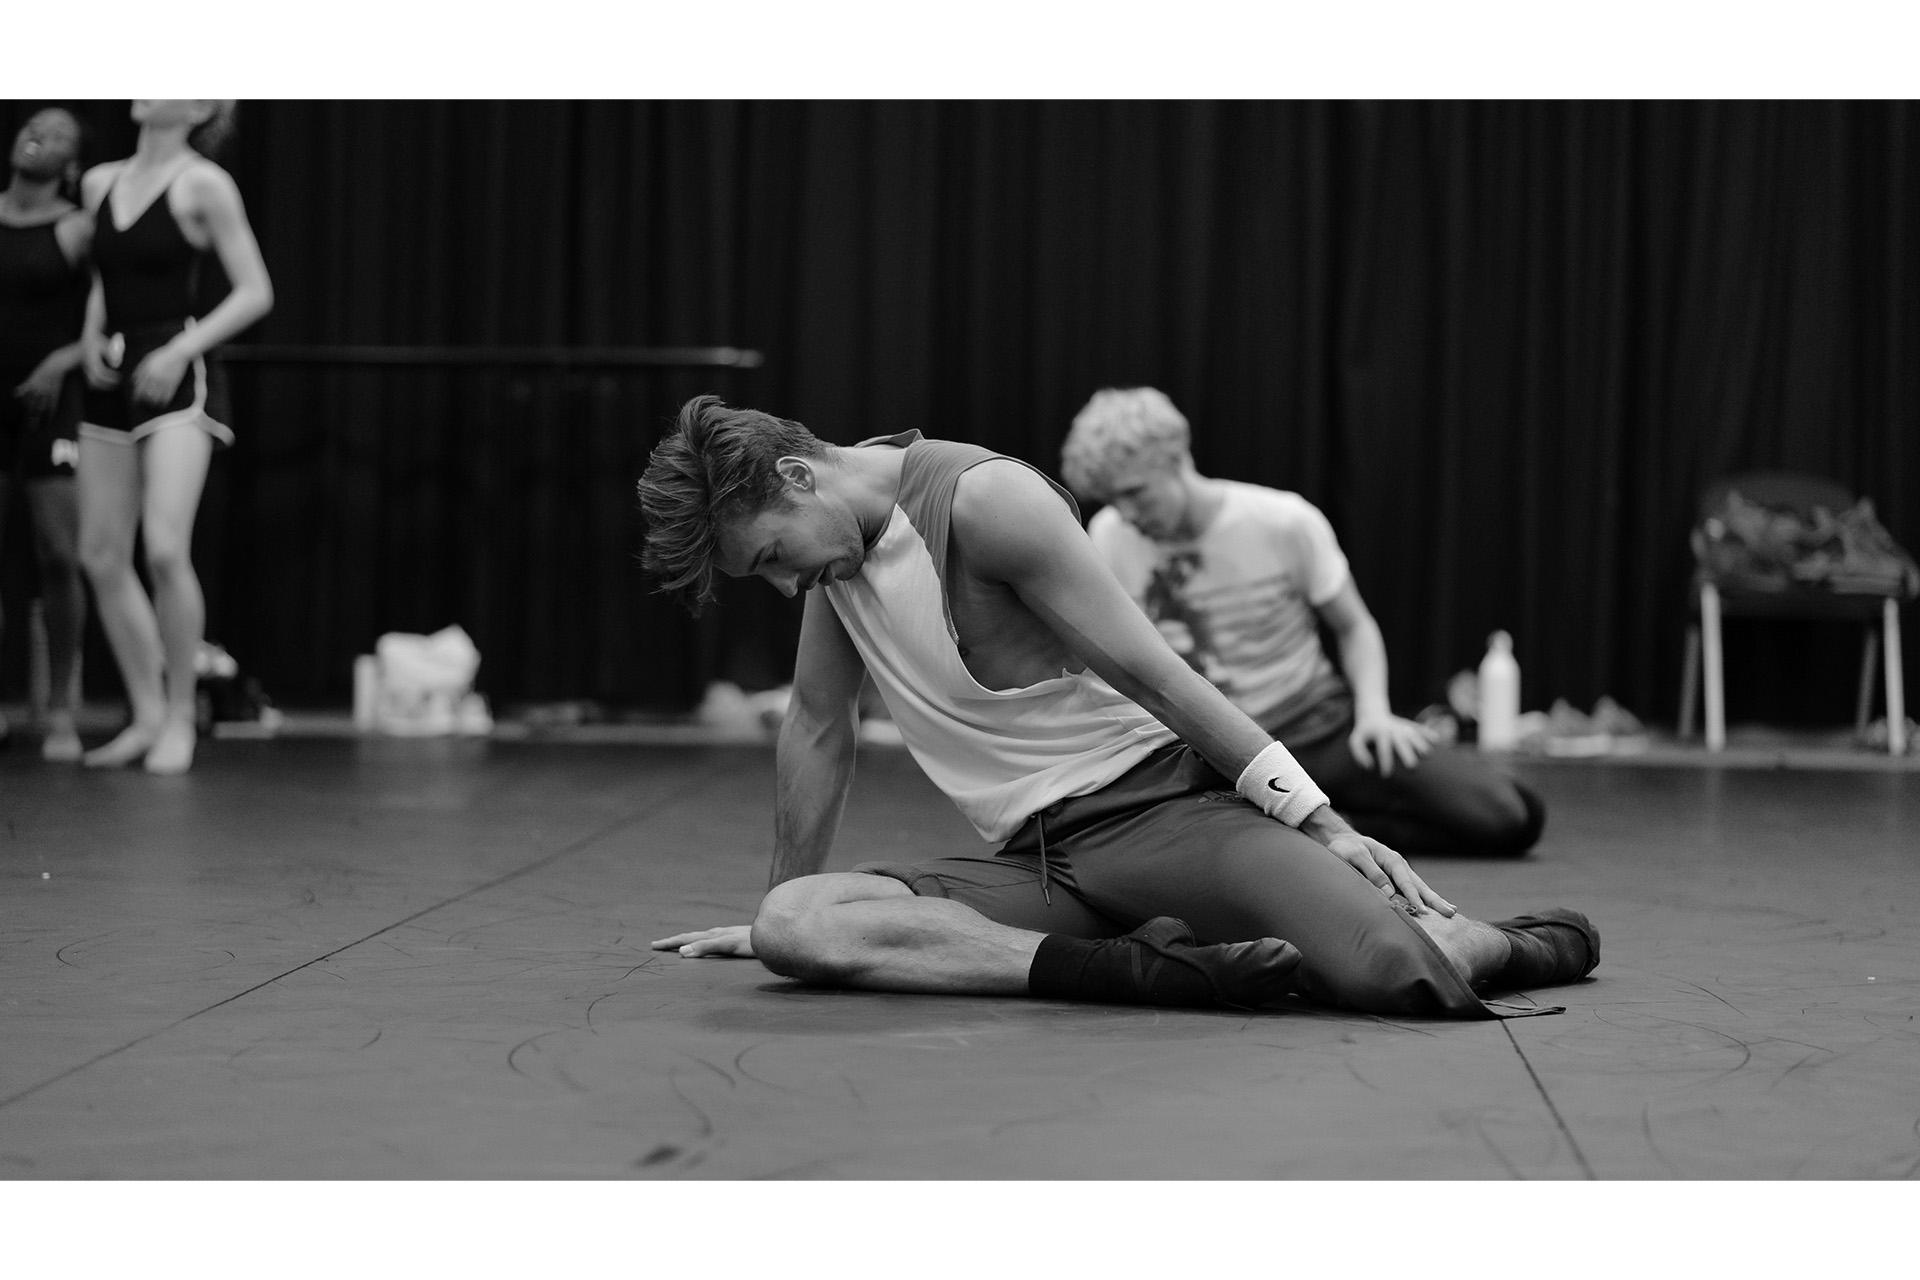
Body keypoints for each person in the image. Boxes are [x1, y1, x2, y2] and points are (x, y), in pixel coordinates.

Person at [641, 396, 1596, 1017]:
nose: (785, 584)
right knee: (797, 923)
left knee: (1402, 976)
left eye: (773, 556)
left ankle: (1526, 942)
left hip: (1163, 812)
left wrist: (1323, 824)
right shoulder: (834, 562)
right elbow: (816, 726)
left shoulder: (984, 501)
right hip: (1041, 864)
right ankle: (1135, 969)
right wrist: (768, 913)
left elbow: (1159, 678)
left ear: (799, 477)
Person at [1061, 386, 1545, 858]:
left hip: (1318, 727)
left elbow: (1354, 626)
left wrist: (1375, 713)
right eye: (1112, 500)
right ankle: (1312, 827)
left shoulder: (1282, 520)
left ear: (1175, 459)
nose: (1127, 514)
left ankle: (1334, 826)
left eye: (1135, 493)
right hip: (1217, 750)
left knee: (1508, 816)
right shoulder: (1109, 537)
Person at [75, 100, 272, 774]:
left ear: (200, 105)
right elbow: (104, 276)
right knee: (101, 553)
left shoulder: (202, 184)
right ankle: (147, 712)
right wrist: (89, 336)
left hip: (176, 370)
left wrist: (176, 351)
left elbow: (255, 290)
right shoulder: (100, 181)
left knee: (163, 548)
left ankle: (183, 715)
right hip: (112, 369)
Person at [0, 107, 91, 762]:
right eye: (35, 125)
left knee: (59, 552)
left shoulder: (78, 229)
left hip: (50, 405)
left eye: (59, 135)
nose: (41, 135)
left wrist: (61, 362)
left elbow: (108, 315)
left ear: (72, 165)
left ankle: (59, 708)